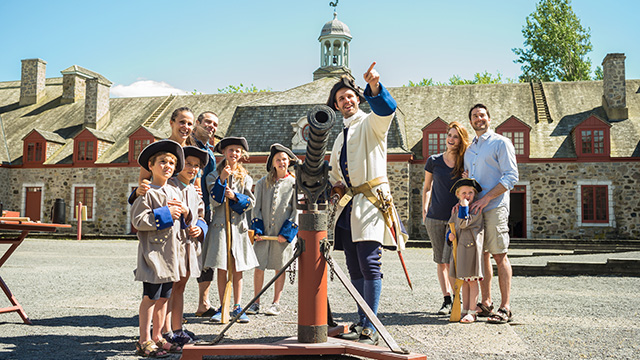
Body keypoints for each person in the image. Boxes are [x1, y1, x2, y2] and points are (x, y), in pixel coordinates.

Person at [327, 63, 407, 346]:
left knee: (370, 264)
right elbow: (335, 176)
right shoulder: (338, 138)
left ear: (357, 99)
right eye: (340, 99)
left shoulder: (372, 123)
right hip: (348, 206)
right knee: (354, 267)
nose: (346, 101)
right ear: (336, 107)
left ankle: (371, 327)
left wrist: (375, 86)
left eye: (350, 96)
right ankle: (362, 323)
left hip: (371, 202)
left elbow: (386, 110)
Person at [131, 139, 186, 357]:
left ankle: (158, 336)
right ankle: (143, 339)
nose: (167, 166)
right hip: (153, 254)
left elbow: (181, 219)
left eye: (171, 163)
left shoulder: (175, 192)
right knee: (151, 297)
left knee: (165, 297)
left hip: (172, 254)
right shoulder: (145, 192)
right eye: (162, 161)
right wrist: (165, 215)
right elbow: (138, 220)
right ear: (151, 166)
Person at [464, 103, 518, 324]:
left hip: (495, 206)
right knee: (482, 255)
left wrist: (486, 198)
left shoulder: (501, 143)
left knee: (499, 254)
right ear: (471, 121)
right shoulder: (469, 150)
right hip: (475, 211)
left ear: (489, 118)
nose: (479, 118)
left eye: (482, 115)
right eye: (475, 116)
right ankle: (486, 303)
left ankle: (505, 307)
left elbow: (511, 177)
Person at [201, 137, 258, 323]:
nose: (234, 153)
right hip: (220, 227)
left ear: (241, 155)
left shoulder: (246, 177)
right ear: (224, 153)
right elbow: (214, 201)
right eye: (231, 150)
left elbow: (250, 202)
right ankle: (223, 305)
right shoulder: (212, 176)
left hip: (239, 228)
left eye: (237, 151)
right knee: (222, 266)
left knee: (238, 267)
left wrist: (235, 197)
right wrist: (222, 180)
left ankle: (237, 306)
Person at [162, 146, 209, 345]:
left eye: (196, 166)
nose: (192, 168)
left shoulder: (194, 190)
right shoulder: (169, 185)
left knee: (181, 286)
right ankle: (164, 330)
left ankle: (177, 328)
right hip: (173, 245)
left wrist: (200, 228)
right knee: (169, 288)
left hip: (189, 246)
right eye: (188, 164)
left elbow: (201, 216)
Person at [422, 121, 470, 315]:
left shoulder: (464, 162)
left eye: (455, 136)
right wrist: (425, 211)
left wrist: (466, 177)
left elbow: (468, 190)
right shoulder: (433, 161)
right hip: (434, 218)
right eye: (449, 135)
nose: (451, 139)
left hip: (454, 220)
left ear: (461, 140)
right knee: (440, 262)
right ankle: (447, 300)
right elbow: (427, 188)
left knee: (451, 261)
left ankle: (458, 298)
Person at [247, 144, 299, 316]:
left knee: (280, 267)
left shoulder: (294, 184)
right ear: (273, 163)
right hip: (264, 234)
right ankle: (256, 302)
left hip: (281, 234)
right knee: (259, 267)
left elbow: (296, 211)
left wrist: (287, 233)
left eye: (284, 159)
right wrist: (258, 230)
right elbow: (257, 209)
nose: (281, 162)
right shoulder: (263, 183)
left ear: (288, 161)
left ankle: (276, 302)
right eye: (278, 159)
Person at [190, 111, 221, 319]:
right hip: (188, 209)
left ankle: (203, 303)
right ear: (197, 124)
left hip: (206, 210)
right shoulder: (187, 146)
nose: (211, 126)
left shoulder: (209, 150)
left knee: (207, 258)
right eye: (207, 122)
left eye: (215, 124)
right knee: (184, 258)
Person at [134, 107, 196, 200]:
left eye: (189, 124)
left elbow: (196, 183)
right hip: (163, 200)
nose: (186, 126)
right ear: (171, 123)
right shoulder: (158, 148)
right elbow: (143, 179)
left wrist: (195, 191)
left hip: (186, 203)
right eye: (182, 122)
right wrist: (157, 190)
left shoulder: (194, 152)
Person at [447, 178, 484, 323]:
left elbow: (463, 224)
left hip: (472, 249)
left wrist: (463, 206)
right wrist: (448, 237)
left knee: (472, 281)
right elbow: (452, 225)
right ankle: (465, 309)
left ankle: (472, 311)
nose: (467, 195)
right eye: (463, 193)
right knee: (464, 281)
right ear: (458, 195)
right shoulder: (457, 210)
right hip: (460, 249)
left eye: (470, 192)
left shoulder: (475, 210)